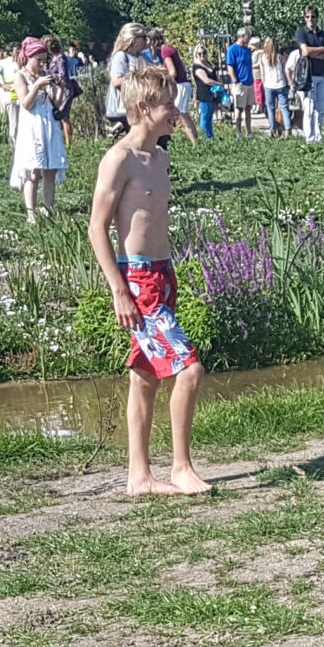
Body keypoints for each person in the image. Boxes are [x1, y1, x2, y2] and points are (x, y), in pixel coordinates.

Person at [88, 63, 209, 497]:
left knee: (145, 375)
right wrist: (119, 289)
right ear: (143, 107)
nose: (174, 111)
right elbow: (96, 227)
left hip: (163, 271)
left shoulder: (160, 158)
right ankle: (181, 467)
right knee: (188, 370)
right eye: (166, 104)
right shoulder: (118, 159)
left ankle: (138, 477)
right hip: (138, 278)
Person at [3, 37, 68, 223]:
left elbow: (55, 101)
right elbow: (26, 103)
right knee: (33, 171)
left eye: (44, 60)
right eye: (38, 60)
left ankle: (48, 209)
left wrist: (61, 88)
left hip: (48, 124)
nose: (42, 63)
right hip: (31, 126)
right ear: (29, 57)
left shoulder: (44, 73)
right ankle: (31, 212)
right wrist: (37, 86)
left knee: (50, 170)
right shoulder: (20, 76)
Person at [294, 5, 324, 143]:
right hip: (308, 76)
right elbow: (305, 52)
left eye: (313, 16)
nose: (310, 19)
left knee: (320, 107)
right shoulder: (301, 33)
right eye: (308, 17)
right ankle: (309, 138)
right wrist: (322, 49)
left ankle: (318, 135)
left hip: (322, 74)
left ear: (317, 18)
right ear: (304, 18)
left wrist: (316, 53)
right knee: (309, 107)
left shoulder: (323, 34)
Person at [225, 27, 257, 135]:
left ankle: (249, 131)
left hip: (249, 82)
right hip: (240, 83)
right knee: (239, 109)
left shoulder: (247, 50)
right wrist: (236, 81)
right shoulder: (232, 49)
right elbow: (230, 67)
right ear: (242, 36)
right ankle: (238, 131)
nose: (249, 38)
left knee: (248, 108)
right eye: (248, 36)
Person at [259, 37, 290, 135]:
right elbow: (284, 71)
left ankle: (273, 129)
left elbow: (262, 73)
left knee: (270, 108)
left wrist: (264, 84)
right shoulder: (280, 57)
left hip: (269, 85)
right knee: (284, 108)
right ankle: (288, 129)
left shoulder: (263, 57)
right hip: (281, 84)